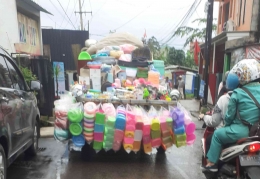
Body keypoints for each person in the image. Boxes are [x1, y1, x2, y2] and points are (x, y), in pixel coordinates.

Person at [201, 59, 260, 172]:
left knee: (217, 135)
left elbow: (229, 117)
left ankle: (211, 164)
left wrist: (227, 124)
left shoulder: (238, 93)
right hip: (257, 131)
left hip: (241, 131)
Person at [201, 72, 238, 155]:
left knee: (208, 141)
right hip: (246, 134)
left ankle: (210, 164)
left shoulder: (223, 99)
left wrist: (204, 117)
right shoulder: (246, 98)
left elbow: (214, 121)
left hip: (227, 133)